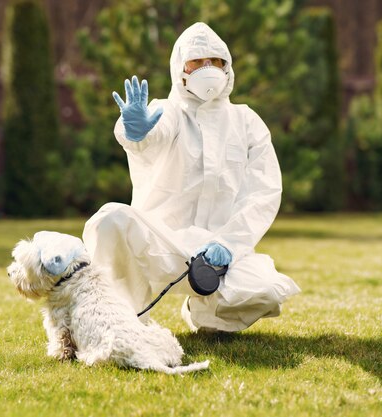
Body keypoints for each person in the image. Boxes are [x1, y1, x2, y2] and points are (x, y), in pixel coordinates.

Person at [82, 22, 300, 332]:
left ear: (228, 67)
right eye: (197, 61)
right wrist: (136, 130)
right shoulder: (166, 111)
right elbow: (151, 135)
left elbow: (263, 191)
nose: (207, 68)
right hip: (160, 243)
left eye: (216, 61)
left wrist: (229, 243)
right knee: (109, 219)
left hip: (218, 253)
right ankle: (119, 319)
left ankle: (209, 317)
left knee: (264, 290)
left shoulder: (246, 121)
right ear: (180, 68)